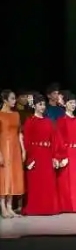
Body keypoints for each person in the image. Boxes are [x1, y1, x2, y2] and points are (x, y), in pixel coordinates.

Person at [21, 94, 60, 216]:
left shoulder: (49, 121)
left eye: (44, 104)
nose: (42, 107)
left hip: (47, 155)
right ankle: (35, 208)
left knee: (48, 182)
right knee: (36, 183)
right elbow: (27, 141)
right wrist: (30, 159)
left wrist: (54, 157)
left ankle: (49, 208)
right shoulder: (30, 121)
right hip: (36, 155)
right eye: (40, 104)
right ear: (34, 106)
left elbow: (54, 140)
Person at [54, 91, 76, 214]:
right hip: (68, 153)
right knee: (68, 181)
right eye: (70, 103)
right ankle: (68, 206)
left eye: (74, 103)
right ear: (65, 104)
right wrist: (61, 156)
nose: (73, 105)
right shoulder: (61, 120)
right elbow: (59, 139)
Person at [0, 89, 25, 218]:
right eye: (12, 98)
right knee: (5, 176)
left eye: (15, 98)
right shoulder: (0, 115)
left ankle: (10, 207)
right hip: (4, 147)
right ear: (5, 100)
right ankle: (3, 207)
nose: (15, 101)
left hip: (15, 148)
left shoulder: (16, 114)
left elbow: (19, 133)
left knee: (14, 176)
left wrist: (23, 149)